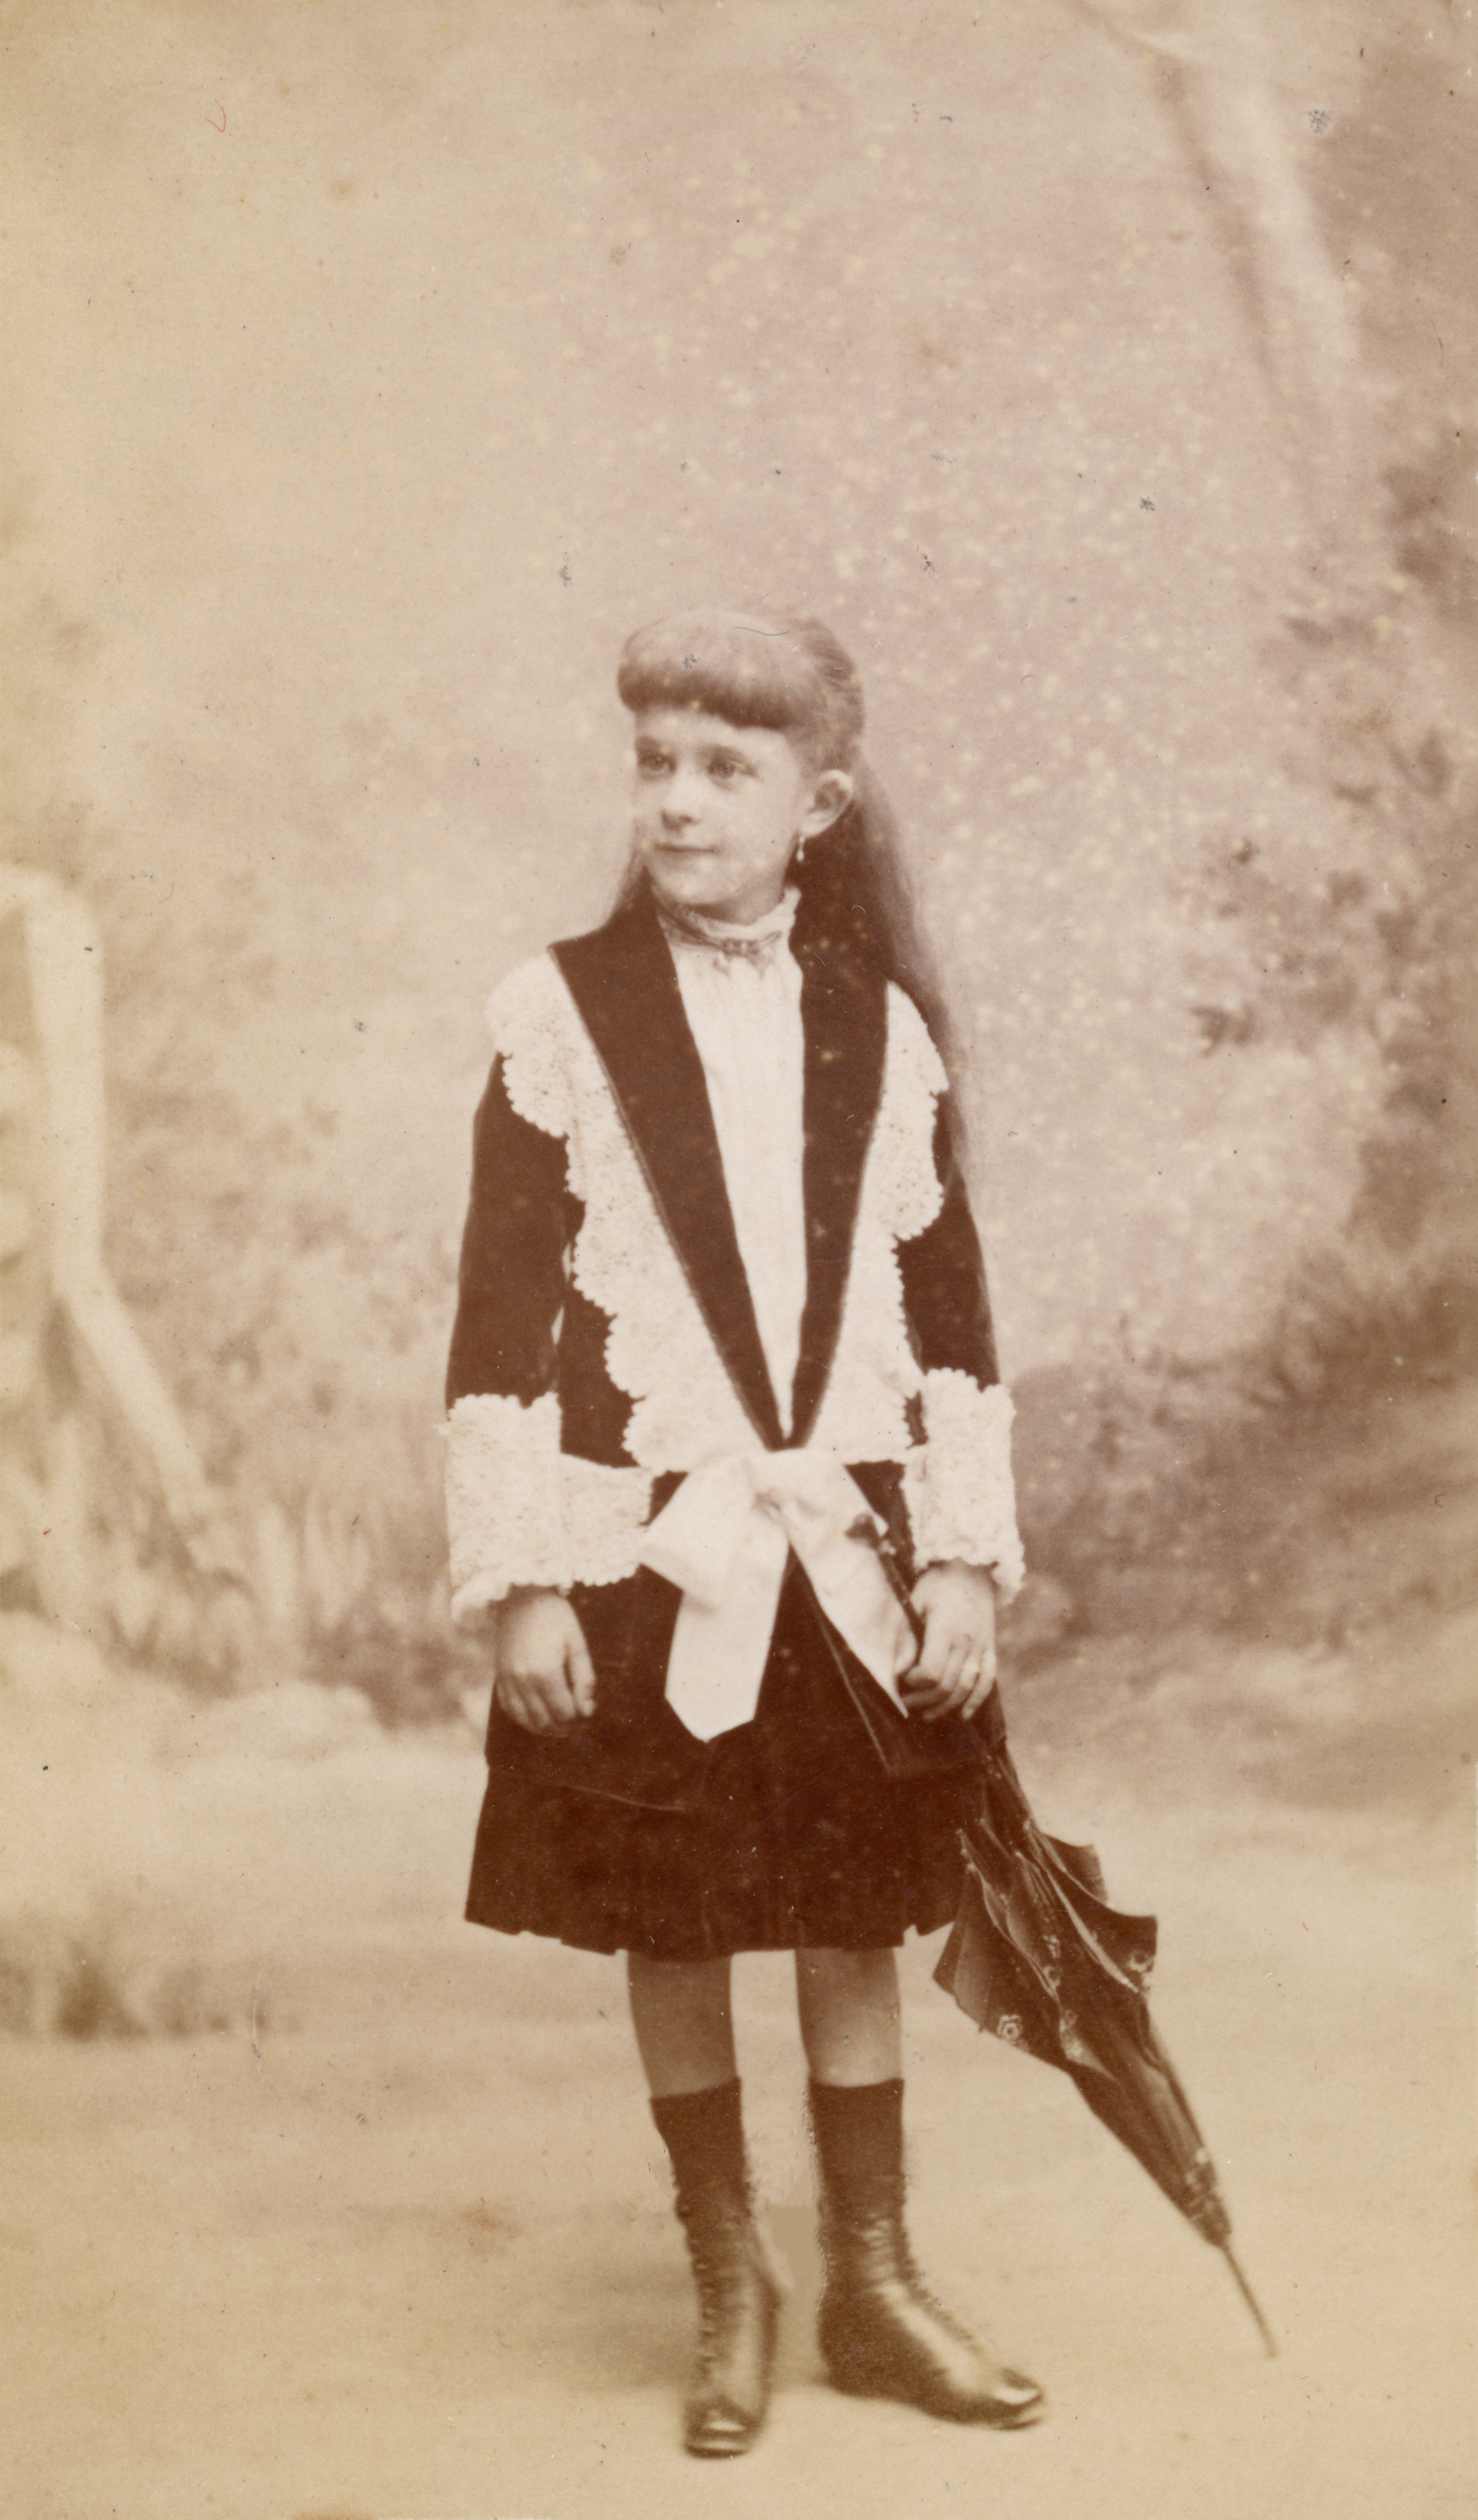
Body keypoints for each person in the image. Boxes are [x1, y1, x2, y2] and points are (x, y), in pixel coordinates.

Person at [444, 608, 1043, 2457]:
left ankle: (871, 2278)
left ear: (819, 807)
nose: (679, 803)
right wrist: (524, 1582)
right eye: (656, 763)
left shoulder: (879, 1026)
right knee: (678, 1906)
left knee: (851, 1907)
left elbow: (948, 1310)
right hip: (649, 1546)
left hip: (843, 1547)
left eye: (726, 769)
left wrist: (959, 1556)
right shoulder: (561, 1013)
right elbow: (502, 1315)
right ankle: (733, 2280)